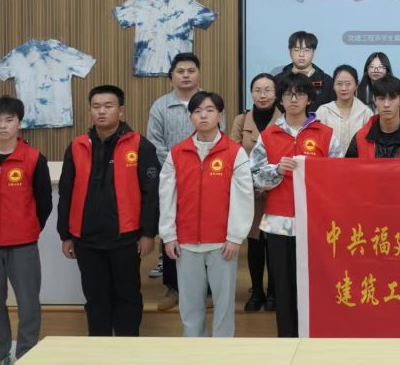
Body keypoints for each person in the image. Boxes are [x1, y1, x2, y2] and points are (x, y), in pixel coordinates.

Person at [57, 85, 160, 336]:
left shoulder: (140, 145)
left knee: (127, 295)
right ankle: (98, 348)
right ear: (90, 112)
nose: (101, 111)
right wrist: (66, 235)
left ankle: (127, 349)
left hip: (126, 237)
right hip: (86, 238)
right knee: (95, 298)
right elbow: (66, 193)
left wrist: (148, 233)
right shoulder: (77, 146)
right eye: (96, 107)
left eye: (108, 106)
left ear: (121, 111)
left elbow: (152, 194)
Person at [251, 73, 341, 337]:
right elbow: (253, 177)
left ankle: (315, 339)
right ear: (280, 99)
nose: (293, 99)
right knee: (283, 286)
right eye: (288, 94)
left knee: (316, 284)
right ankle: (287, 341)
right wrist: (276, 170)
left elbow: (338, 177)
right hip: (278, 224)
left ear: (309, 99)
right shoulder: (268, 135)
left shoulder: (326, 134)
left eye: (299, 94)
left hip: (315, 224)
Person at [159, 91, 253, 338]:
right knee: (190, 306)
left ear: (220, 115)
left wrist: (235, 236)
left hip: (222, 243)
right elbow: (166, 197)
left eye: (210, 110)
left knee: (224, 305)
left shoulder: (234, 152)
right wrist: (169, 235)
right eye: (197, 111)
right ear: (190, 116)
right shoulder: (177, 153)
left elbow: (243, 198)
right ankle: (194, 350)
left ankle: (222, 353)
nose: (203, 115)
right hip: (186, 242)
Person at [0, 96, 52, 364]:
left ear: (20, 123)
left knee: (28, 302)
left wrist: (28, 228)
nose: (3, 126)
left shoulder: (34, 158)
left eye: (9, 120)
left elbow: (44, 203)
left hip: (23, 244)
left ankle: (27, 353)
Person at [146, 52, 207, 309]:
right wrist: (178, 166)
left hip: (206, 178)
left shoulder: (209, 102)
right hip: (171, 178)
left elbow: (219, 135)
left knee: (205, 231)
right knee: (171, 231)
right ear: (171, 76)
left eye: (191, 71)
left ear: (198, 74)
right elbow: (154, 142)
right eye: (180, 71)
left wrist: (198, 166)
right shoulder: (161, 106)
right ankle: (173, 288)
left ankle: (206, 289)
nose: (186, 75)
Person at [229, 73, 281, 312]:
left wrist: (268, 183)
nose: (263, 95)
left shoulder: (284, 121)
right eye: (258, 90)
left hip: (278, 192)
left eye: (268, 90)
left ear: (276, 93)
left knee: (274, 245)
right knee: (255, 244)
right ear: (251, 93)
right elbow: (233, 156)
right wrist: (252, 184)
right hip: (249, 193)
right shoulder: (241, 120)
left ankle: (274, 292)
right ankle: (257, 291)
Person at [315, 65, 374, 157]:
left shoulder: (366, 112)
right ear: (333, 86)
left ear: (356, 85)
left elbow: (370, 147)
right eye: (339, 84)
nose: (343, 88)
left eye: (348, 84)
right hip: (329, 164)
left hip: (358, 164)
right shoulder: (323, 111)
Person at [272, 31, 334, 111]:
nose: (301, 54)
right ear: (290, 52)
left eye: (306, 50)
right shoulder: (277, 81)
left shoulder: (327, 81)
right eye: (296, 50)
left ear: (314, 52)